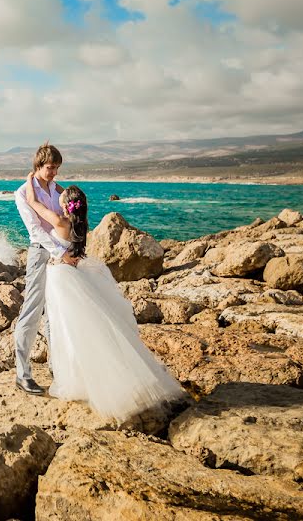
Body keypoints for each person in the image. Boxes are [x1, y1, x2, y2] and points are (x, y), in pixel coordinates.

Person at [23, 173, 188, 422]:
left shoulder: (59, 221)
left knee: (65, 328)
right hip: (73, 274)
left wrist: (30, 181)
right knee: (82, 328)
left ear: (65, 206)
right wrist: (59, 187)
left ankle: (74, 378)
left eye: (61, 198)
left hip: (60, 277)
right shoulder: (80, 224)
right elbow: (67, 203)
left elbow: (34, 204)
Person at [13, 142, 79, 395]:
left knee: (54, 312)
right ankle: (23, 374)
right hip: (42, 254)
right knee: (31, 310)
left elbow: (71, 212)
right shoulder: (22, 193)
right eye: (51, 168)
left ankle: (56, 367)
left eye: (57, 168)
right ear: (38, 165)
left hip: (62, 254)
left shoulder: (55, 188)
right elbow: (35, 230)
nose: (54, 173)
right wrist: (60, 253)